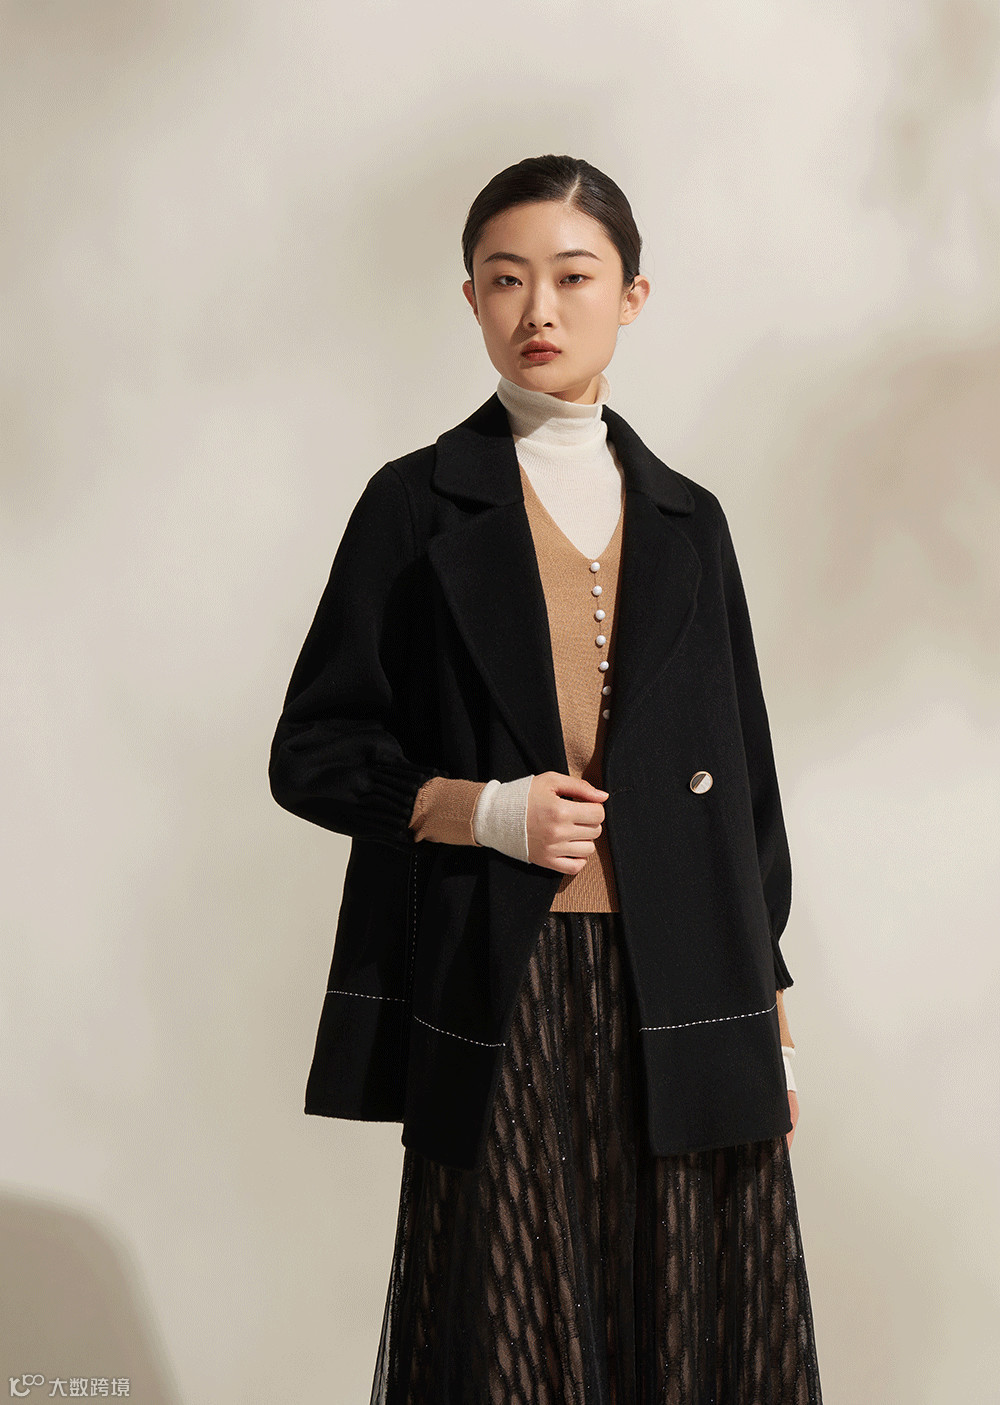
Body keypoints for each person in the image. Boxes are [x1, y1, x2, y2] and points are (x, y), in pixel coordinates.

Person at [269, 154, 823, 1402]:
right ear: (469, 297)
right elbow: (312, 751)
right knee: (508, 1332)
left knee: (686, 1322)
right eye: (505, 278)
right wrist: (478, 811)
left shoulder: (689, 520)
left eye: (573, 277)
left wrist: (770, 1019)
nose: (538, 310)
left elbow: (745, 789)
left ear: (631, 296)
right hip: (499, 969)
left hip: (687, 976)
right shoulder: (413, 505)